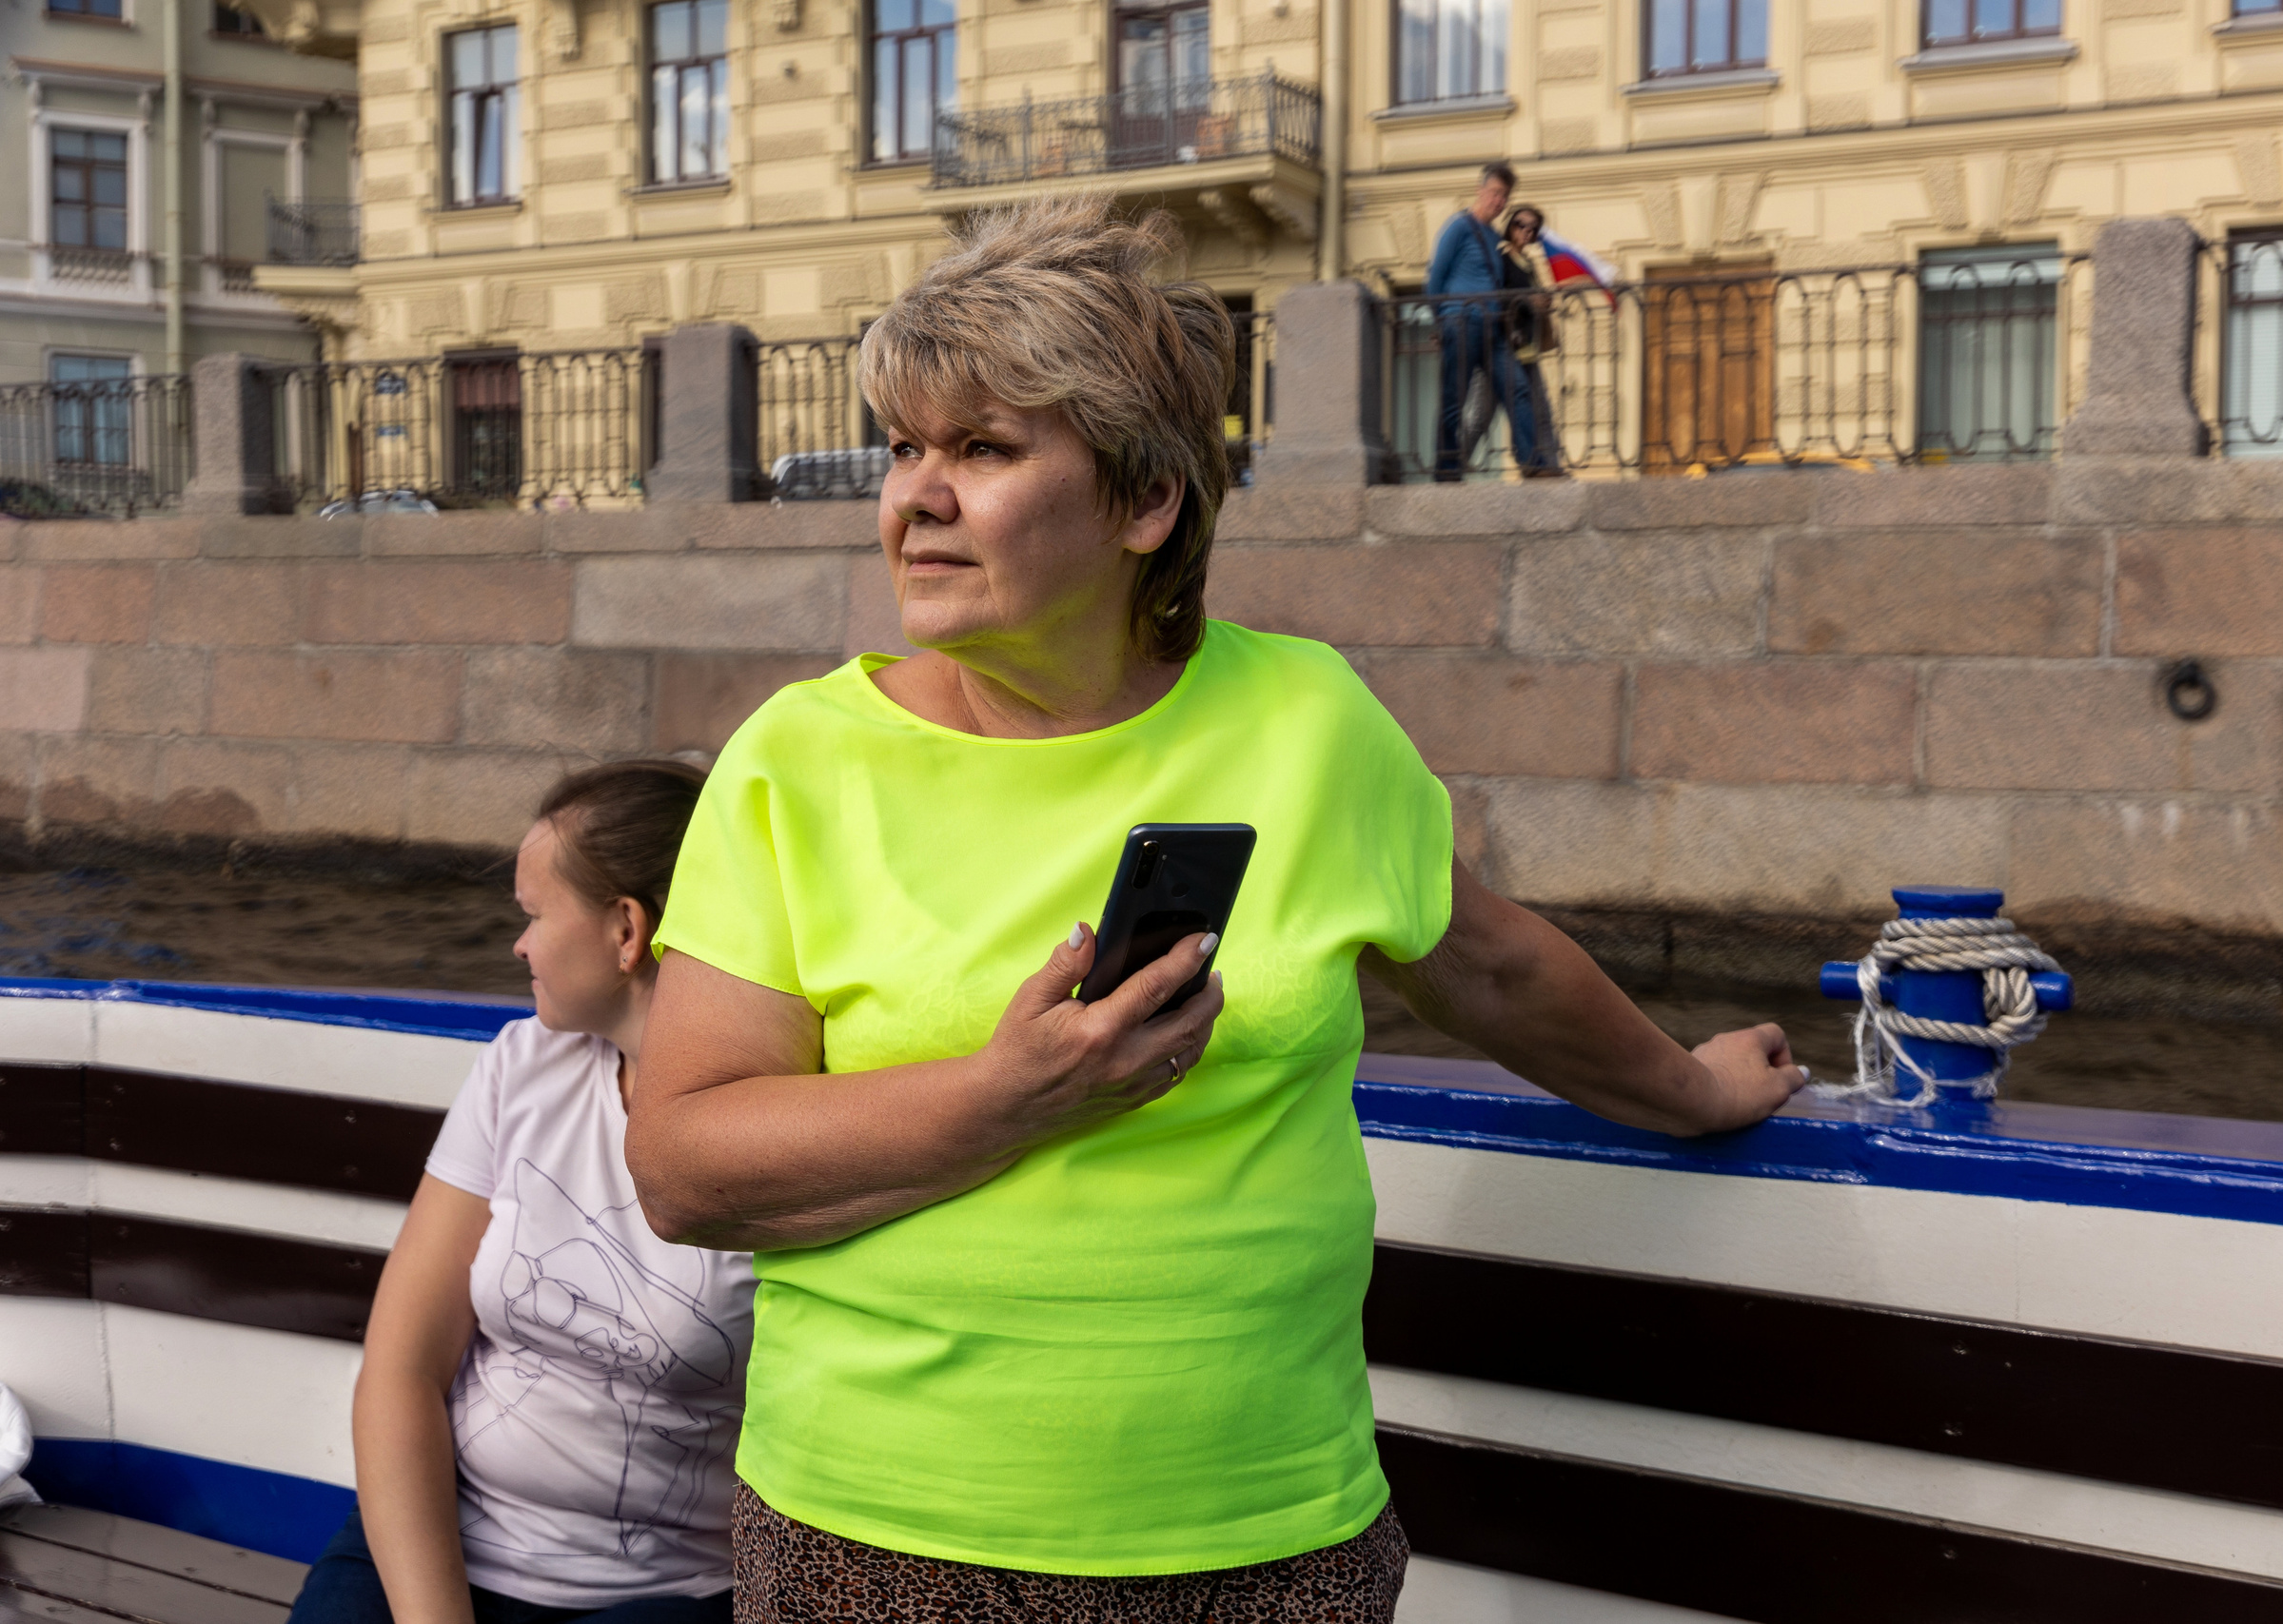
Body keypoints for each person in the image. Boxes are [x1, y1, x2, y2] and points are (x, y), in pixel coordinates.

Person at [626, 195, 1802, 1624]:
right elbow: (682, 1163)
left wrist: (1692, 1089)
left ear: (1145, 501)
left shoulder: (1309, 720)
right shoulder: (797, 759)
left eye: (984, 449)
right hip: (884, 1534)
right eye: (903, 447)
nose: (913, 495)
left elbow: (1487, 966)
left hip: (1271, 1534)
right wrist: (1013, 1093)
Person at [289, 760, 754, 1624]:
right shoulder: (520, 1066)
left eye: (535, 915)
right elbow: (402, 1366)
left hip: (667, 1590)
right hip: (448, 1539)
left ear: (626, 929)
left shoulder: (774, 1124)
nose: (519, 944)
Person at [1423, 160, 1542, 479]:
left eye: (1504, 197)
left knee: (1517, 389)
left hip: (1494, 328)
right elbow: (1434, 279)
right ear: (1480, 190)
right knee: (1454, 398)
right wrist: (1442, 322)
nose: (1499, 201)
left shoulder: (1493, 238)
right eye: (1495, 193)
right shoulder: (1457, 226)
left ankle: (1533, 462)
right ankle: (1446, 468)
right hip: (1461, 322)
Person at [1500, 205, 1566, 479]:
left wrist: (1544, 300)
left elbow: (1530, 299)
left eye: (1532, 228)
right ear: (1509, 226)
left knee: (1540, 408)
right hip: (1503, 347)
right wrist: (1529, 300)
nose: (1526, 232)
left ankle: (1547, 465)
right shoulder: (1501, 259)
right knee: (1481, 416)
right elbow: (1498, 296)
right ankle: (1450, 465)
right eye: (1520, 225)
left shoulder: (1528, 263)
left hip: (1526, 346)